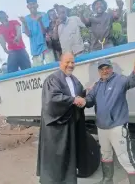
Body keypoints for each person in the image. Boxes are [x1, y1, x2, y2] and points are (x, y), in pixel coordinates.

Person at [37, 52, 100, 184]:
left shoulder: (74, 80)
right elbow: (52, 100)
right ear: (60, 63)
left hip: (71, 125)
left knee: (70, 158)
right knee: (57, 159)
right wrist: (73, 100)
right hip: (57, 128)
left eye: (73, 62)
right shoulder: (53, 79)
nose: (70, 65)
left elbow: (79, 96)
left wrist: (87, 92)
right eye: (67, 62)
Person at [83, 59, 135, 184]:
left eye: (107, 68)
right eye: (102, 69)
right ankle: (107, 180)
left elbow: (131, 82)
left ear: (111, 68)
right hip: (101, 127)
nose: (105, 71)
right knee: (105, 155)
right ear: (99, 71)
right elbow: (89, 100)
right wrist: (83, 101)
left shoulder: (119, 80)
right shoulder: (97, 85)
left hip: (117, 126)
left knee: (125, 158)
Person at [19, 0, 55, 67]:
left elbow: (45, 31)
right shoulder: (25, 19)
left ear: (37, 5)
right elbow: (28, 34)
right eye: (30, 4)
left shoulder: (43, 14)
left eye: (33, 4)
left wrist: (40, 21)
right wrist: (25, 24)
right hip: (35, 49)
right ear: (27, 6)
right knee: (38, 72)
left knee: (52, 68)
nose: (32, 6)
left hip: (46, 46)